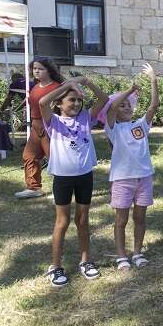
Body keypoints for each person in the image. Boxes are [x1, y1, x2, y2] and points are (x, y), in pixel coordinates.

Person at [39, 76, 108, 287]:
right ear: (59, 103)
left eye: (79, 100)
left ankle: (85, 261)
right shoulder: (54, 121)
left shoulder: (86, 118)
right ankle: (55, 266)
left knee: (83, 220)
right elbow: (42, 103)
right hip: (63, 178)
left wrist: (87, 83)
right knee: (62, 222)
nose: (77, 104)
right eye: (71, 100)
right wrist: (67, 85)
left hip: (84, 176)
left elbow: (104, 99)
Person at [104, 63, 159, 270]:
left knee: (140, 217)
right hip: (122, 179)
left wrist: (153, 79)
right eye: (122, 105)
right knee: (121, 219)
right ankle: (121, 255)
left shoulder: (140, 125)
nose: (126, 107)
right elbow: (109, 108)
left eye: (129, 104)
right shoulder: (112, 128)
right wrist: (129, 90)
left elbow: (154, 106)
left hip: (144, 177)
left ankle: (137, 252)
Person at [16, 58, 65, 199]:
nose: (36, 71)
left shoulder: (57, 87)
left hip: (50, 125)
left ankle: (62, 188)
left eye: (40, 68)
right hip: (35, 125)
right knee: (29, 156)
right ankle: (34, 188)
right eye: (34, 68)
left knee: (54, 158)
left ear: (49, 70)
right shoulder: (36, 86)